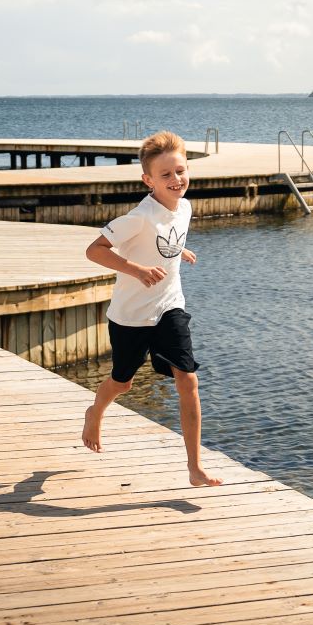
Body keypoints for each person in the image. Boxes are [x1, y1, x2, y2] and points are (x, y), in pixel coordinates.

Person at [80, 130, 221, 487]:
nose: (176, 180)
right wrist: (137, 269)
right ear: (148, 180)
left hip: (169, 306)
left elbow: (166, 236)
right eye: (166, 174)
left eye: (180, 171)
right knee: (123, 382)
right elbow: (94, 250)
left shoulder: (184, 207)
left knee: (188, 379)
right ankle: (95, 412)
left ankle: (195, 467)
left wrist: (178, 251)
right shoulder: (139, 217)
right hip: (130, 315)